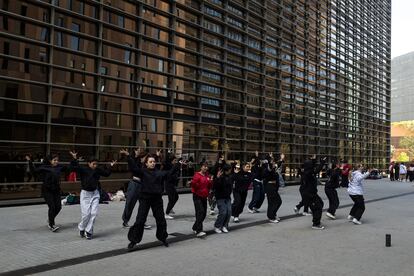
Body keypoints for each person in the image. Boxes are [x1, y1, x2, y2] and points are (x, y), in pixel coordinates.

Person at [120, 149, 180, 250]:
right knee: (140, 220)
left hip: (157, 199)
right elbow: (133, 168)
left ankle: (163, 238)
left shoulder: (159, 173)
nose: (152, 163)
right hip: (145, 199)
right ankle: (133, 241)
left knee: (161, 220)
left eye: (153, 161)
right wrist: (129, 156)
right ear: (146, 163)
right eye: (150, 162)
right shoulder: (142, 172)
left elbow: (169, 173)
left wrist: (177, 165)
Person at [71, 153, 116, 240]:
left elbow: (106, 174)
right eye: (93, 164)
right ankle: (81, 228)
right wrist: (74, 159)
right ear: (89, 163)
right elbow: (73, 168)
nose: (95, 166)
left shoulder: (97, 170)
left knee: (94, 214)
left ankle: (89, 232)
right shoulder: (83, 169)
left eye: (96, 164)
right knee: (86, 214)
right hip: (85, 194)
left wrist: (111, 166)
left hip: (95, 193)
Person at [30, 151, 77, 232]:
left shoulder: (59, 167)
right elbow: (34, 171)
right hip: (47, 190)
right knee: (52, 207)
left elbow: (70, 168)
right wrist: (30, 161)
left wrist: (74, 158)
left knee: (58, 207)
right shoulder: (44, 167)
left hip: (56, 190)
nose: (56, 162)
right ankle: (51, 224)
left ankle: (50, 219)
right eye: (54, 160)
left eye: (57, 160)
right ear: (50, 160)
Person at [121, 148, 152, 230]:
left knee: (144, 205)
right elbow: (132, 166)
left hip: (143, 186)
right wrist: (129, 155)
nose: (147, 160)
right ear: (142, 157)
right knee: (130, 203)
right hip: (134, 184)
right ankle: (125, 221)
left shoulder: (146, 165)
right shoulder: (136, 162)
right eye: (146, 158)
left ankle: (142, 222)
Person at [301, 154, 326, 230]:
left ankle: (316, 219)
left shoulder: (309, 172)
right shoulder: (308, 173)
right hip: (309, 194)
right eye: (311, 164)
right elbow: (316, 170)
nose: (313, 165)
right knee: (317, 207)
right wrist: (322, 162)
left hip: (312, 193)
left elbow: (314, 168)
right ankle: (316, 224)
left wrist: (314, 160)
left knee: (320, 203)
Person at [191, 160, 213, 237]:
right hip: (197, 196)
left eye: (207, 166)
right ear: (201, 167)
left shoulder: (207, 176)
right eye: (204, 166)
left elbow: (209, 186)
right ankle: (199, 230)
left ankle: (195, 227)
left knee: (203, 214)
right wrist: (193, 183)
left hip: (204, 196)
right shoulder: (197, 175)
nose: (206, 168)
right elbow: (194, 186)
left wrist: (211, 182)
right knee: (200, 212)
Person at [213, 164, 233, 233]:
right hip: (220, 197)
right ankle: (217, 226)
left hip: (227, 197)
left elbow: (230, 186)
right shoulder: (220, 177)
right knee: (223, 212)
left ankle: (225, 226)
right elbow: (215, 186)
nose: (231, 170)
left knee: (229, 211)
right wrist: (218, 177)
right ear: (226, 170)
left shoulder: (230, 176)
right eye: (230, 169)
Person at [265, 153, 282, 223]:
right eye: (272, 161)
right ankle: (271, 217)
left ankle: (273, 214)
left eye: (274, 161)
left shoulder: (274, 168)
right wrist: (270, 158)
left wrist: (281, 159)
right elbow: (270, 166)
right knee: (272, 202)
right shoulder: (268, 168)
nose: (274, 162)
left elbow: (278, 164)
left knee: (279, 201)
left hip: (274, 187)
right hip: (270, 187)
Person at [164, 149, 180, 219]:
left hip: (171, 184)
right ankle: (166, 213)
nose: (175, 162)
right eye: (174, 161)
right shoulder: (169, 166)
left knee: (176, 197)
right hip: (168, 184)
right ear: (172, 161)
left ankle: (170, 209)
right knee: (171, 199)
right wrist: (168, 154)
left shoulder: (174, 166)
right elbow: (166, 161)